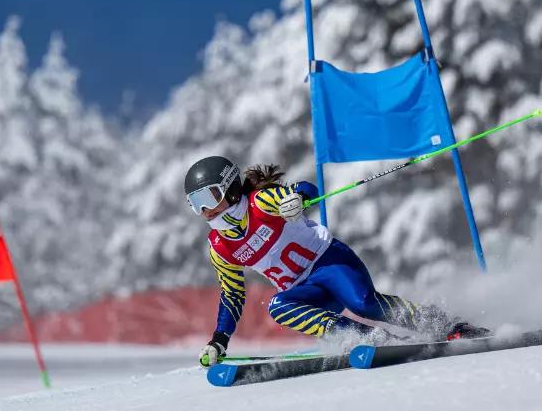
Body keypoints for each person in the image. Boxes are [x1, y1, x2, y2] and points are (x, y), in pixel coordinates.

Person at [185, 156, 489, 367]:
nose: (205, 211)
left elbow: (305, 189)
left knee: (364, 303)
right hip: (308, 292)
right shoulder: (219, 247)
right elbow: (232, 294)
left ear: (231, 188)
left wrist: (297, 199)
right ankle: (367, 339)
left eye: (209, 199)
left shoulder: (260, 203)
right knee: (278, 306)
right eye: (196, 205)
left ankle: (447, 325)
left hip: (329, 262)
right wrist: (219, 340)